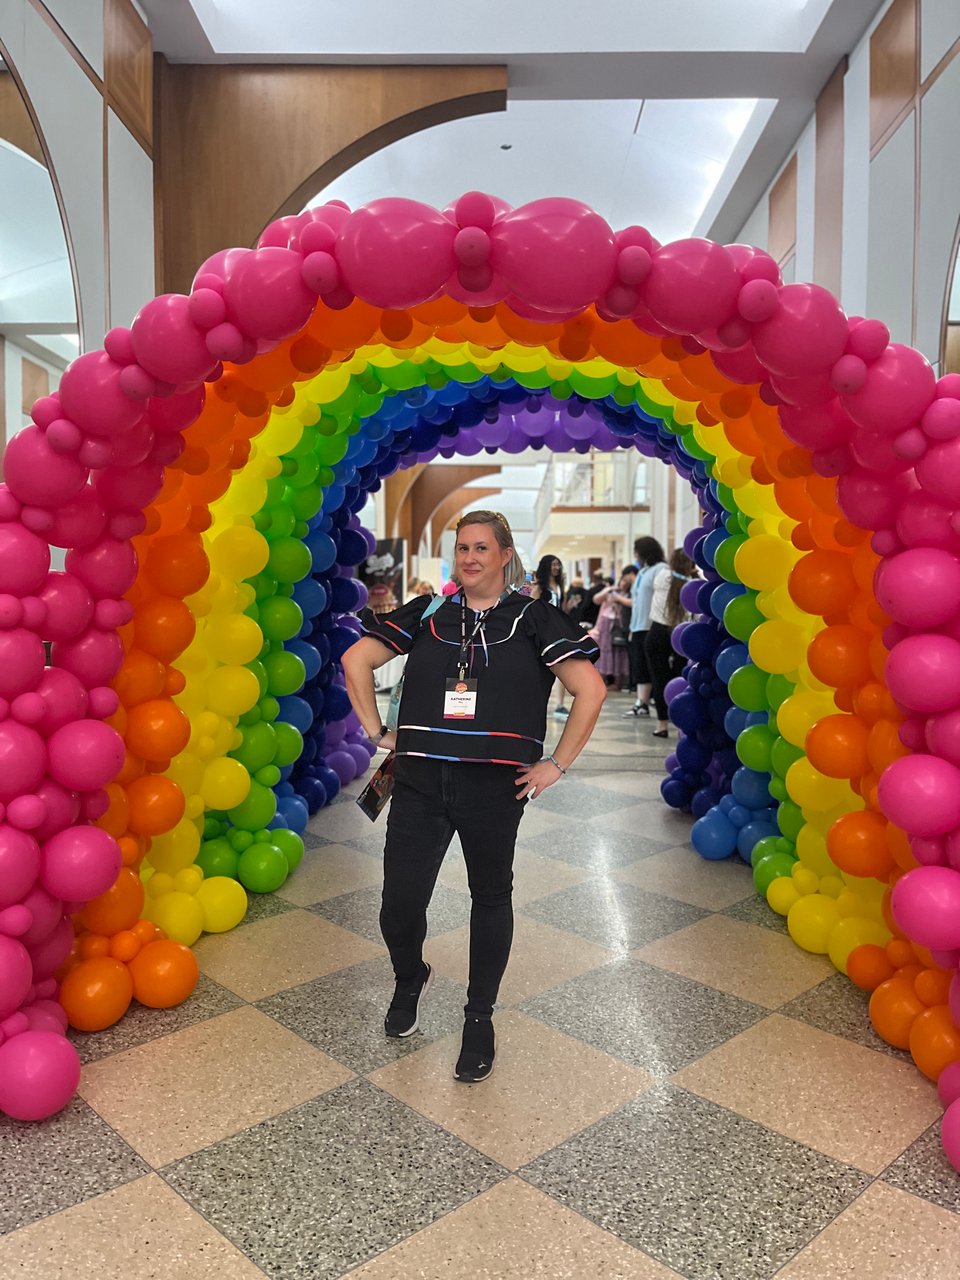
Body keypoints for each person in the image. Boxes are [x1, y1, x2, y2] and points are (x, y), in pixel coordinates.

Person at [341, 511, 605, 1084]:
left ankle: (478, 1017)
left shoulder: (534, 618)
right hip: (417, 780)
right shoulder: (429, 613)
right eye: (463, 547)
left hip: (494, 788)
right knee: (399, 904)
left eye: (482, 548)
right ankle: (409, 976)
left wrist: (556, 764)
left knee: (490, 897)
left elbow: (590, 689)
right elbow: (356, 659)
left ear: (506, 555)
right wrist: (376, 731)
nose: (470, 557)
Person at [646, 548, 697, 737]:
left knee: (659, 678)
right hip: (682, 633)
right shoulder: (693, 584)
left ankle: (662, 725)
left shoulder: (662, 576)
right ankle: (683, 724)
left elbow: (672, 575)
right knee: (682, 678)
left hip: (658, 632)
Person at [622, 536, 666, 718]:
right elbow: (637, 600)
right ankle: (641, 702)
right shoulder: (642, 572)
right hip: (637, 626)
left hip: (652, 625)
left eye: (637, 552)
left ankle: (653, 703)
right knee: (639, 665)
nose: (636, 556)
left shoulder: (661, 569)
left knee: (652, 667)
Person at [531, 554, 569, 718]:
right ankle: (539, 704)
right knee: (542, 669)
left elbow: (562, 608)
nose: (556, 568)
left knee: (561, 666)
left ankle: (560, 704)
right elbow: (531, 608)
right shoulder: (540, 587)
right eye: (553, 564)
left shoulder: (559, 586)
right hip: (544, 632)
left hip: (558, 631)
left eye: (558, 564)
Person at [593, 568, 634, 690]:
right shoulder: (612, 592)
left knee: (618, 653)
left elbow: (629, 606)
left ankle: (617, 682)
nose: (623, 584)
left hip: (618, 625)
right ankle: (601, 680)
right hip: (605, 624)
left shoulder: (629, 595)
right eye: (622, 580)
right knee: (603, 652)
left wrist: (618, 603)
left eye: (626, 582)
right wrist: (608, 590)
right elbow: (596, 599)